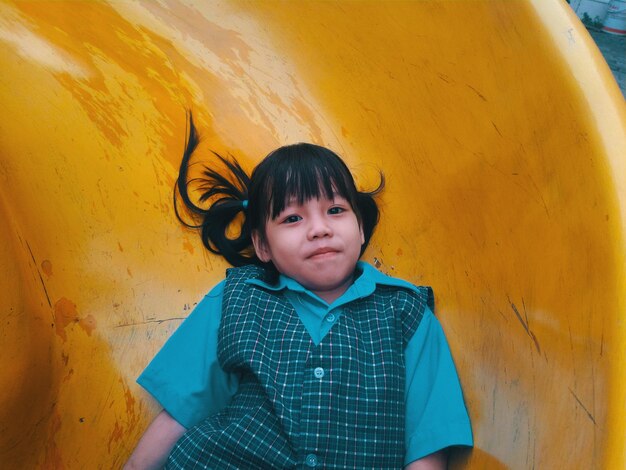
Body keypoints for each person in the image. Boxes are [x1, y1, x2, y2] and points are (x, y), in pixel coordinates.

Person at [125, 114, 473, 469]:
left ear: (361, 229)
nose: (319, 229)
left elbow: (426, 446)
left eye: (335, 210)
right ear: (262, 245)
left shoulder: (405, 313)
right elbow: (181, 413)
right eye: (293, 218)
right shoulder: (237, 299)